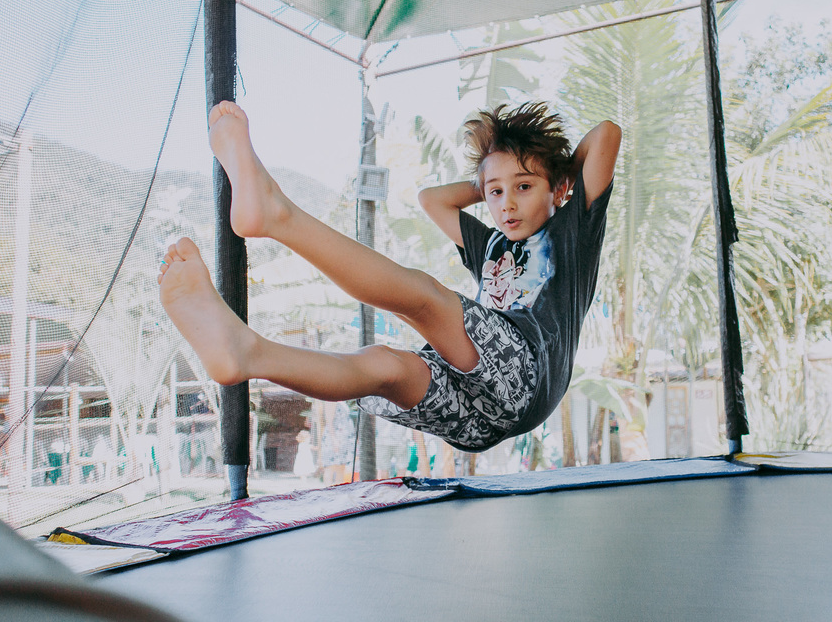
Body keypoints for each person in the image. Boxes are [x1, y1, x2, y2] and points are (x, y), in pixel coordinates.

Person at [158, 99, 620, 453]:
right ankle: (249, 354)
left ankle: (277, 214)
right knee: (382, 365)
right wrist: (495, 180)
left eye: (523, 187)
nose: (507, 204)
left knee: (426, 297)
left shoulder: (571, 229)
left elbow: (606, 135)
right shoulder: (490, 245)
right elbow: (431, 199)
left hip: (528, 374)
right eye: (495, 193)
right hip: (478, 420)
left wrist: (556, 172)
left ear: (558, 188)